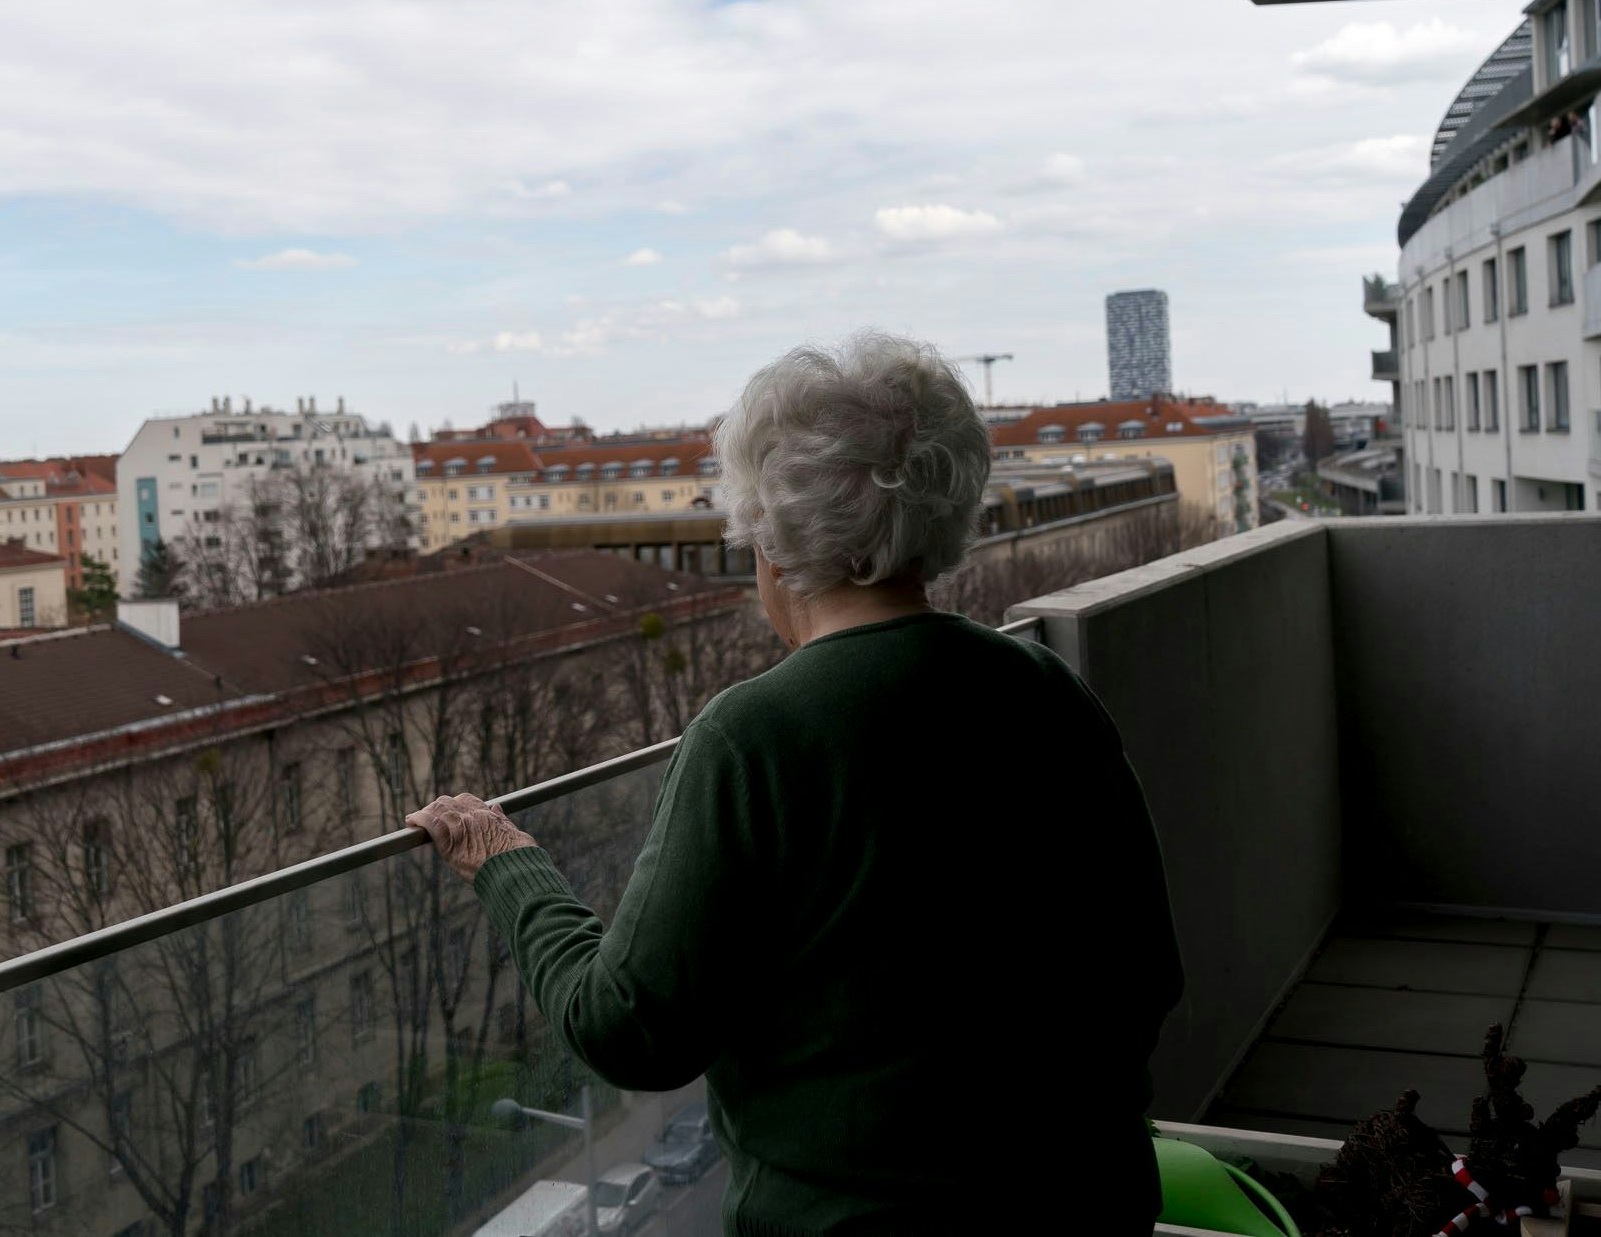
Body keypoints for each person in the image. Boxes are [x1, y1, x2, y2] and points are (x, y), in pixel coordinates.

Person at [407, 333, 1184, 1235]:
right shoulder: (1045, 689)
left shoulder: (752, 735)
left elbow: (628, 1029)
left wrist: (504, 858)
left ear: (768, 543)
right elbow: (1148, 972)